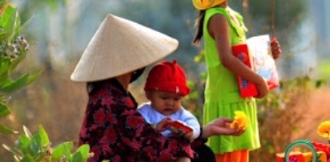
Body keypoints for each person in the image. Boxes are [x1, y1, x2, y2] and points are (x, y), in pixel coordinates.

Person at [71, 14, 243, 162]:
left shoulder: (113, 93)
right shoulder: (110, 99)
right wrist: (191, 137)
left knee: (201, 154)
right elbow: (150, 146)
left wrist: (204, 131)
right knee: (199, 156)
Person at [189, 0, 282, 162]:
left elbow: (242, 54)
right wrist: (258, 79)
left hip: (239, 98)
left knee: (240, 157)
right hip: (226, 101)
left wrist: (267, 55)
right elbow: (227, 59)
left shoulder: (232, 15)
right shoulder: (217, 17)